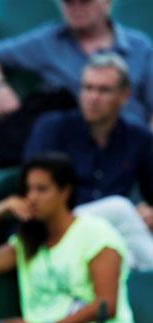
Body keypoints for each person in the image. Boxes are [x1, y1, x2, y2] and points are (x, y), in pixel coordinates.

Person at [0, 153, 135, 323]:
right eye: (28, 190)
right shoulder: (28, 241)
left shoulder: (97, 233)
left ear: (65, 192)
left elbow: (106, 306)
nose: (32, 198)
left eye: (41, 189)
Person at [25, 53, 153, 270]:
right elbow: (33, 189)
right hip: (57, 225)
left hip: (107, 232)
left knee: (126, 259)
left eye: (104, 90)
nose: (93, 97)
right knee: (120, 208)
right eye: (87, 88)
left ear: (124, 95)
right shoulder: (52, 127)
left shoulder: (138, 137)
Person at [0, 0, 153, 127]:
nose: (76, 7)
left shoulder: (140, 47)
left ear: (108, 2)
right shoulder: (48, 41)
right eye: (69, 1)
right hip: (73, 147)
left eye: (85, 1)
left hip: (132, 146)